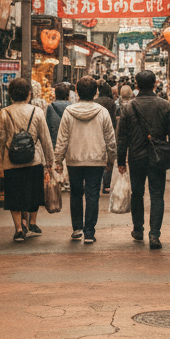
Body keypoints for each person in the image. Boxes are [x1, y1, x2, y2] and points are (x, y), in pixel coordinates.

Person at [117, 70, 170, 249]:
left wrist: (121, 160)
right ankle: (154, 235)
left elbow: (122, 137)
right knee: (157, 195)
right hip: (158, 156)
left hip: (136, 156)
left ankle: (138, 229)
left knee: (137, 193)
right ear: (155, 84)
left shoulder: (128, 107)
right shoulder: (164, 105)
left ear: (136, 85)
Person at [53, 76, 116, 244]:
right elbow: (110, 138)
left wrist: (58, 160)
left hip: (74, 159)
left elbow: (62, 138)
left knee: (75, 193)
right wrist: (112, 158)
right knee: (92, 194)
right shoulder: (102, 112)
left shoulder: (69, 111)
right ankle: (89, 232)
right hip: (96, 159)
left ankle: (77, 228)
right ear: (95, 93)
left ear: (77, 92)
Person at [0, 77, 54, 242]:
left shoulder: (4, 112)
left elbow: (0, 139)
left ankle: (19, 229)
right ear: (29, 94)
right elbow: (45, 139)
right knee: (34, 193)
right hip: (34, 159)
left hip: (11, 161)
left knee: (14, 195)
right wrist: (50, 162)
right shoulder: (37, 111)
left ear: (10, 94)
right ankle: (32, 222)